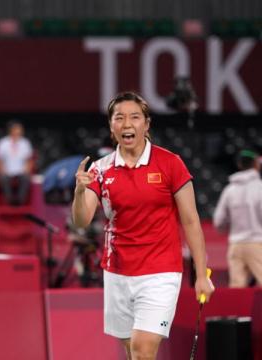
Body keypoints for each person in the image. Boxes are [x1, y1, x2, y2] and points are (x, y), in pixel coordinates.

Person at [72, 91, 214, 359]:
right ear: (111, 127)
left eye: (135, 117)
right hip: (117, 272)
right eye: (119, 118)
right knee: (131, 351)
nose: (127, 123)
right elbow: (81, 220)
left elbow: (191, 220)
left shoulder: (170, 164)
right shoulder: (100, 170)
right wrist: (80, 192)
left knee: (142, 349)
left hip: (160, 272)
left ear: (146, 124)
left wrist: (201, 274)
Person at [213, 149, 262, 287]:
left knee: (237, 289)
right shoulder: (260, 188)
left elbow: (219, 221)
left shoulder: (229, 190)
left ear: (240, 165)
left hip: (236, 245)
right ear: (256, 165)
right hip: (257, 243)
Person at [0, 121, 33, 205]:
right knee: (4, 178)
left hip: (21, 171)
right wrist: (2, 170)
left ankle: (20, 201)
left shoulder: (25, 143)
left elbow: (29, 160)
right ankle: (9, 201)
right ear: (11, 130)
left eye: (20, 130)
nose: (19, 132)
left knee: (26, 178)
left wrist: (27, 169)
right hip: (6, 171)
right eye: (16, 130)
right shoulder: (2, 143)